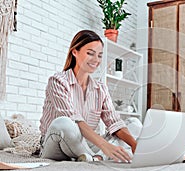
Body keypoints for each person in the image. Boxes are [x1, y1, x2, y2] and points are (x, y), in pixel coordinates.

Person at [39, 30, 137, 163]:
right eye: (90, 53)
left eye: (100, 55)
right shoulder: (57, 81)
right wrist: (104, 145)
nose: (96, 60)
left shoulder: (100, 88)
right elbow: (75, 121)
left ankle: (91, 157)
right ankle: (96, 157)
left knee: (133, 124)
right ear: (75, 52)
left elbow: (114, 122)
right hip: (57, 141)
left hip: (84, 142)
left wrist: (134, 144)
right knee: (64, 123)